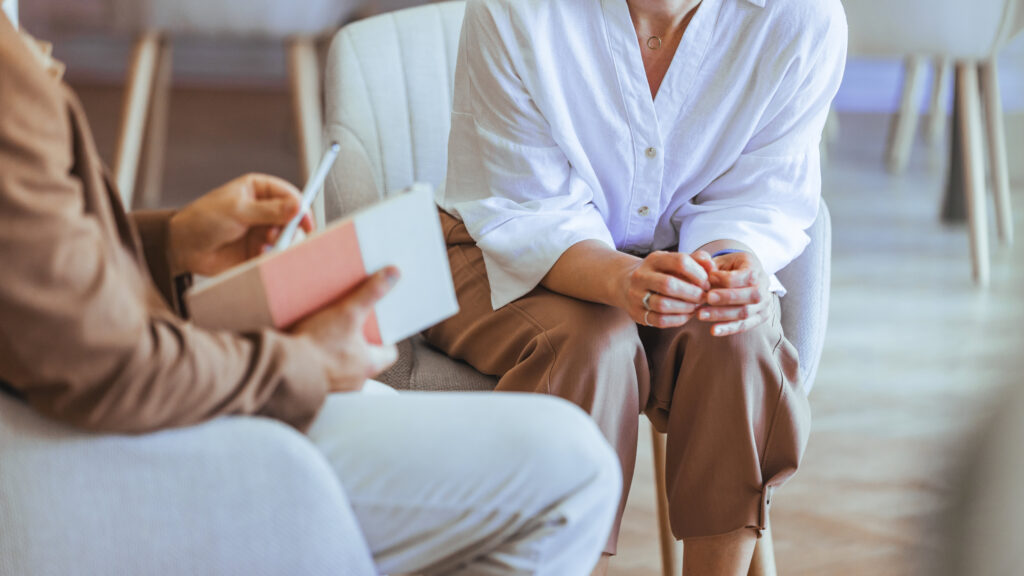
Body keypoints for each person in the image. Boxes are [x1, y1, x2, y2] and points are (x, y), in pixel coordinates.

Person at [0, 6, 622, 575]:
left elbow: (27, 272)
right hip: (125, 440)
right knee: (574, 468)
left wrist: (171, 242)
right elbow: (102, 365)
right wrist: (303, 360)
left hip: (131, 394)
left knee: (411, 414)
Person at [426, 0, 847, 574]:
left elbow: (761, 195)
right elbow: (523, 208)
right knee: (593, 343)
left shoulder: (800, 17)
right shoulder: (516, 9)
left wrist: (728, 266)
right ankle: (568, 561)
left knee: (736, 340)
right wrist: (622, 279)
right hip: (500, 253)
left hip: (674, 261)